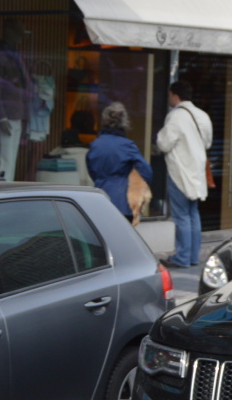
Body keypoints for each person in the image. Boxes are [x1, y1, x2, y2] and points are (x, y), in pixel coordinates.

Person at [156, 79, 212, 269]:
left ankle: (182, 257)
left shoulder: (176, 116)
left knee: (181, 216)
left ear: (175, 95)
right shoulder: (202, 116)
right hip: (197, 173)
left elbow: (164, 143)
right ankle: (193, 257)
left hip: (180, 172)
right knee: (193, 214)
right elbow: (208, 143)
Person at [86, 102, 152, 223]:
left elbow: (91, 170)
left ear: (104, 120)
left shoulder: (95, 145)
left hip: (99, 199)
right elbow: (147, 172)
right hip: (123, 202)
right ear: (124, 122)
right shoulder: (127, 145)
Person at [0, 17, 31, 181]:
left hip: (16, 114)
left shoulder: (15, 55)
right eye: (17, 32)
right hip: (7, 114)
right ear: (8, 32)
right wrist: (1, 116)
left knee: (10, 160)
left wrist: (25, 116)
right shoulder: (1, 57)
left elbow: (23, 88)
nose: (20, 36)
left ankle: (5, 190)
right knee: (3, 161)